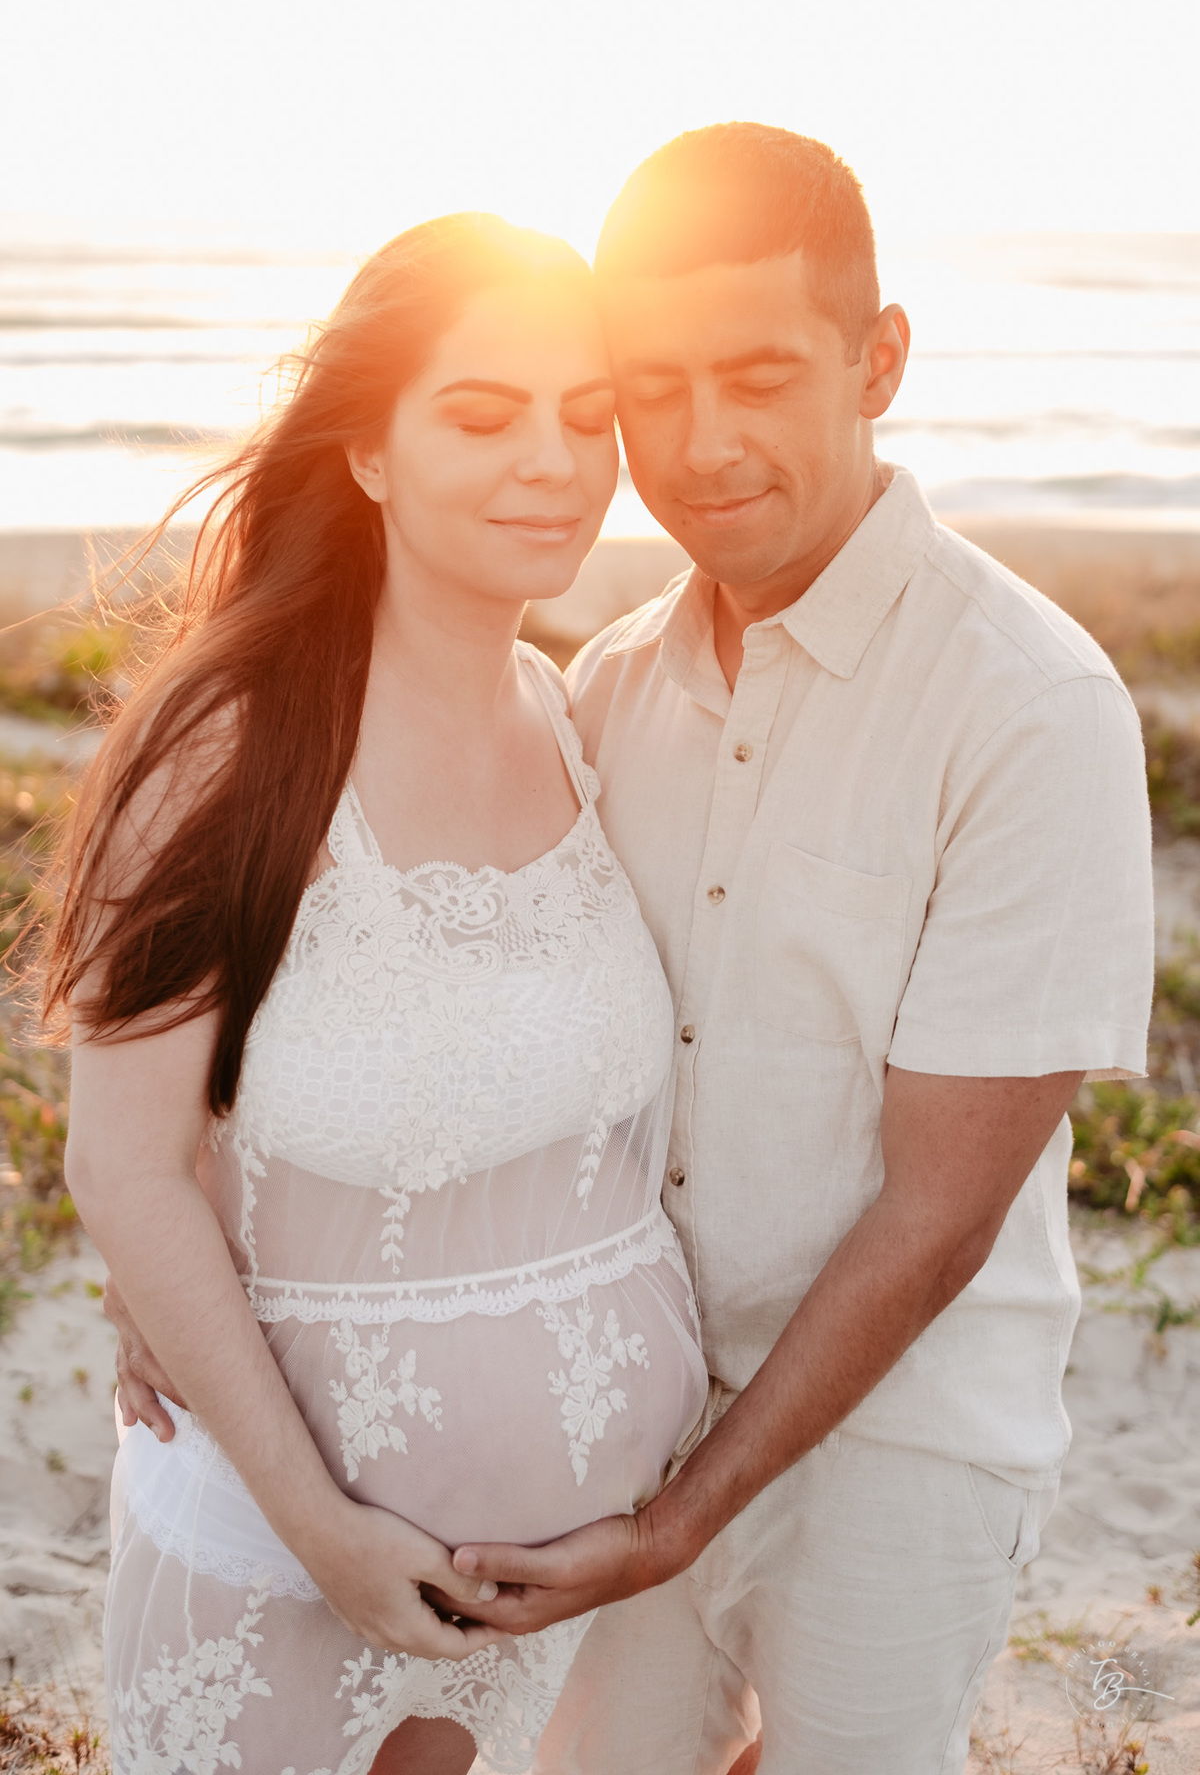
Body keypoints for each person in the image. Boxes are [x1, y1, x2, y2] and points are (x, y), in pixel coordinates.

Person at [438, 126, 1156, 1772]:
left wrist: (695, 1512)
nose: (701, 443)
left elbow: (940, 1211)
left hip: (902, 1442)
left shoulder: (1031, 711)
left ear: (878, 359)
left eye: (759, 373)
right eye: (654, 383)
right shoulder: (605, 686)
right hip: (621, 1413)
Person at [50, 213, 707, 1775]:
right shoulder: (225, 745)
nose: (553, 460)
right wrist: (330, 1533)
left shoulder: (565, 713)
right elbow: (123, 1158)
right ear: (367, 452)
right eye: (482, 416)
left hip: (579, 1612)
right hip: (301, 1578)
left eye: (587, 415)